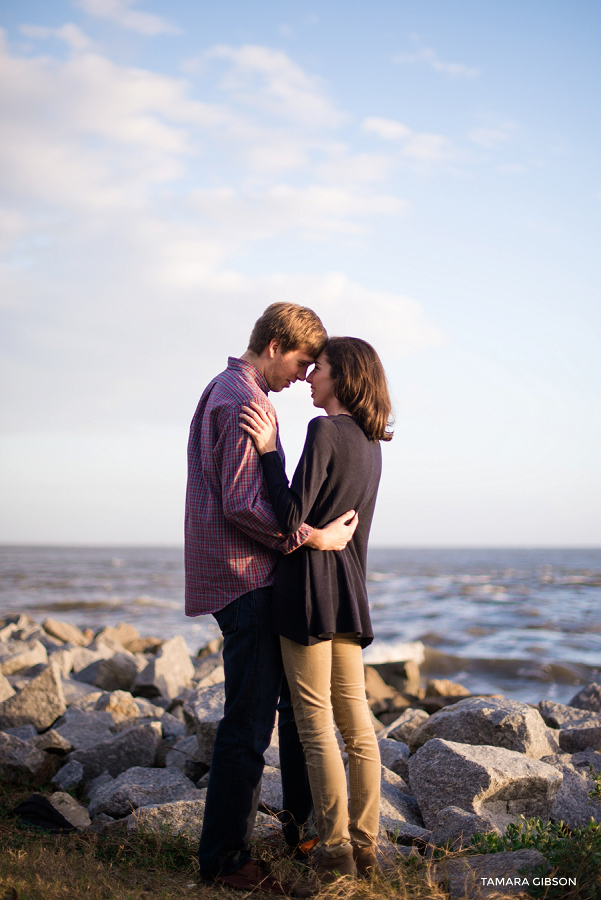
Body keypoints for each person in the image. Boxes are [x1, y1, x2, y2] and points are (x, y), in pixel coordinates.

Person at [185, 303, 359, 894]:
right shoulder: (243, 400)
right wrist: (315, 537)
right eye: (303, 361)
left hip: (248, 578)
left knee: (286, 712)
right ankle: (226, 861)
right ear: (277, 344)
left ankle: (301, 832)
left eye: (316, 366)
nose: (304, 375)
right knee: (249, 727)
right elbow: (242, 504)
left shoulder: (230, 387)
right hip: (248, 580)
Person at [240, 336, 393, 884]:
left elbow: (289, 517)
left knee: (315, 726)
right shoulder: (373, 443)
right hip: (350, 593)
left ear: (344, 376)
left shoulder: (323, 430)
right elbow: (358, 536)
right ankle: (367, 846)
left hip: (306, 591)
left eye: (318, 368)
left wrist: (267, 452)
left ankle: (333, 854)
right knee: (358, 725)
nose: (309, 376)